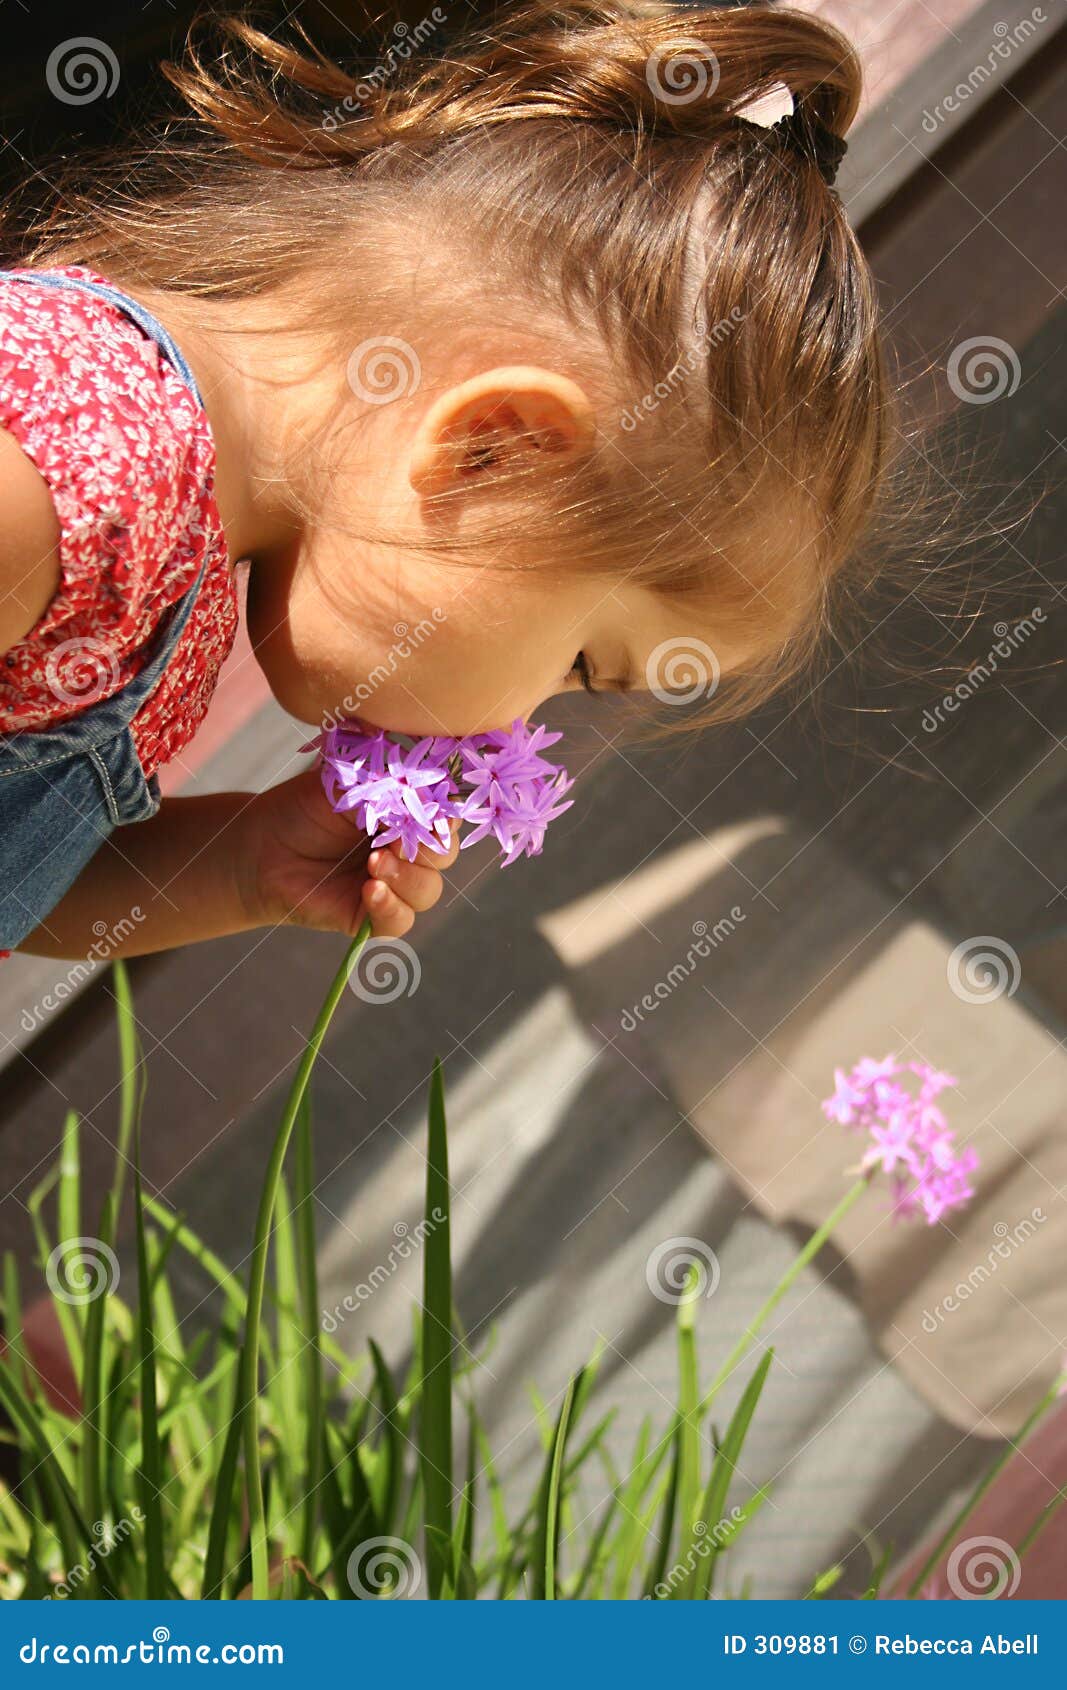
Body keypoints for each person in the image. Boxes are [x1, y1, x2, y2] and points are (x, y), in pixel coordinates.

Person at [0, 2, 889, 962]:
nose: (511, 725)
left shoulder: (170, 543)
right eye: (580, 668)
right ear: (493, 454)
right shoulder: (84, 477)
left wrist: (237, 866)